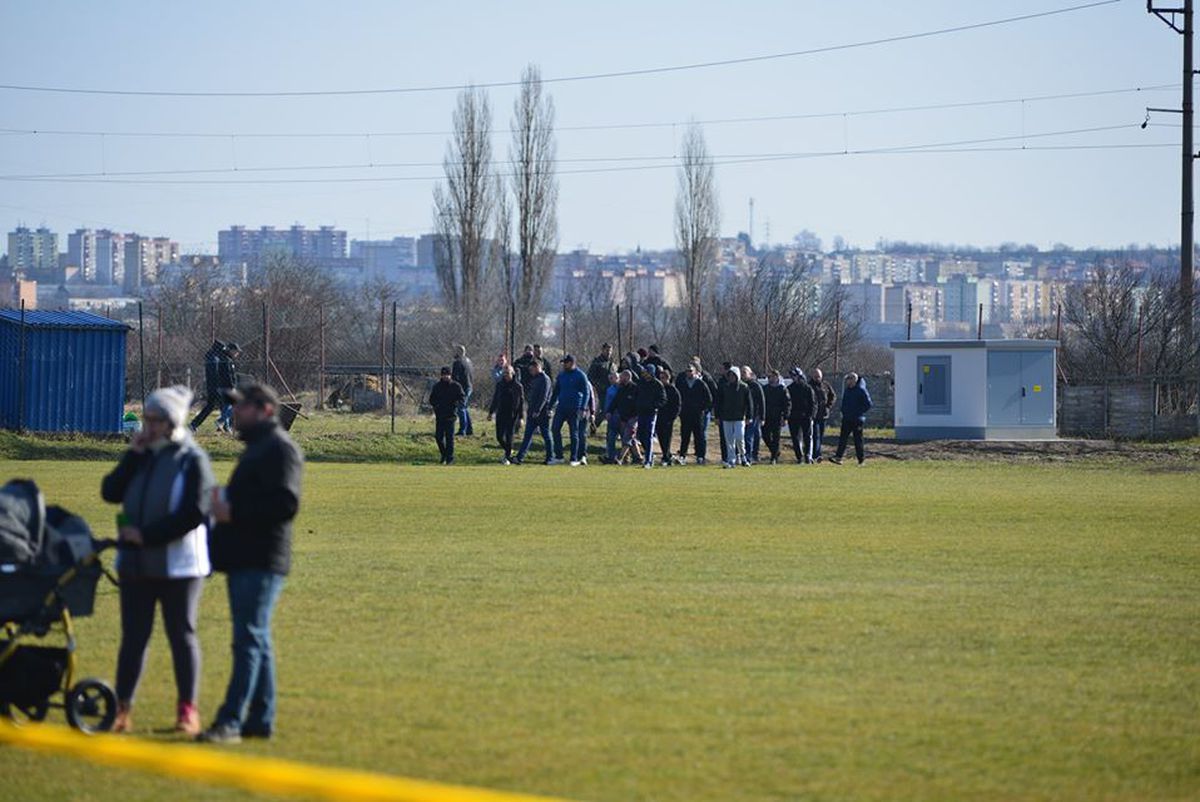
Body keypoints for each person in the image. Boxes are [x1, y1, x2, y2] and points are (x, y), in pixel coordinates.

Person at [101, 386, 215, 736]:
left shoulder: (192, 459)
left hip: (180, 566)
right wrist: (131, 456)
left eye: (154, 420)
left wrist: (147, 536)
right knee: (134, 637)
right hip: (136, 564)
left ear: (171, 423)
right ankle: (121, 709)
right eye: (146, 418)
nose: (146, 425)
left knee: (181, 635)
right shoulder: (141, 454)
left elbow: (195, 512)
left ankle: (187, 712)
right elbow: (110, 492)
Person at [198, 382, 304, 744]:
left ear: (266, 411)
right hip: (244, 555)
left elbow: (286, 504)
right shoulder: (258, 447)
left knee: (248, 640)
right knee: (256, 640)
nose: (236, 413)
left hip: (261, 558)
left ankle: (230, 721)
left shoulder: (279, 448)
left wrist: (233, 510)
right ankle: (260, 719)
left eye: (242, 407)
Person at [551, 354, 592, 466]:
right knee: (555, 429)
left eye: (566, 363)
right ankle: (559, 456)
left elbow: (586, 393)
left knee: (574, 433)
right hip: (561, 407)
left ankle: (574, 458)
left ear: (572, 363)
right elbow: (556, 392)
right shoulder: (561, 375)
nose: (564, 365)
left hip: (575, 408)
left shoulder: (580, 375)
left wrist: (583, 408)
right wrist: (550, 406)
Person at [513, 359, 553, 465]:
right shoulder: (535, 379)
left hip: (542, 413)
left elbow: (544, 397)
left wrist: (538, 410)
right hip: (532, 412)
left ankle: (550, 457)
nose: (531, 372)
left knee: (546, 435)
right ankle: (520, 457)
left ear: (537, 367)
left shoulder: (545, 379)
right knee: (527, 436)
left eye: (532, 369)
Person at [831, 373, 872, 466]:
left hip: (857, 420)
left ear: (854, 380)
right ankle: (838, 457)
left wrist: (859, 412)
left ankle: (861, 460)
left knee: (858, 440)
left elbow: (868, 404)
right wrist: (843, 411)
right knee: (843, 439)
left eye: (849, 379)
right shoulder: (847, 390)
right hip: (847, 418)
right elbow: (844, 403)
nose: (847, 381)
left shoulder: (861, 390)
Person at [487, 365, 524, 464]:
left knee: (509, 436)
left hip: (512, 415)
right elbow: (495, 399)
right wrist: (491, 412)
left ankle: (507, 457)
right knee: (499, 436)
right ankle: (509, 450)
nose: (506, 375)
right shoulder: (500, 385)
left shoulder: (518, 386)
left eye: (508, 373)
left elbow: (521, 403)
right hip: (501, 413)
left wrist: (521, 417)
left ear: (512, 373)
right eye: (504, 373)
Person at [428, 367, 466, 465]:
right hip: (440, 415)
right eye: (443, 375)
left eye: (447, 375)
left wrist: (456, 404)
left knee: (450, 438)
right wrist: (436, 406)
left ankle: (450, 458)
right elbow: (432, 399)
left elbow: (462, 398)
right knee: (438, 437)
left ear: (450, 375)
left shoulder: (456, 386)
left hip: (451, 415)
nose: (445, 376)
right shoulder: (437, 386)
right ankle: (444, 454)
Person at [676, 363, 713, 464]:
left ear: (695, 371)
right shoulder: (682, 383)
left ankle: (700, 456)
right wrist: (680, 411)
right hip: (685, 414)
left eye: (691, 371)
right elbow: (678, 398)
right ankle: (682, 456)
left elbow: (709, 399)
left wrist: (702, 409)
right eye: (687, 371)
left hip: (698, 415)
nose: (689, 373)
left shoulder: (700, 384)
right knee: (685, 436)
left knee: (699, 436)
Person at [190, 340, 227, 432]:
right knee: (224, 405)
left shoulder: (213, 357)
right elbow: (215, 374)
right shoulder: (214, 359)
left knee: (212, 406)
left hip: (212, 386)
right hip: (215, 386)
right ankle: (224, 425)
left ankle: (194, 424)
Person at [634, 364, 667, 468]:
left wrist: (654, 406)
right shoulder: (641, 383)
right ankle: (650, 455)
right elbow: (636, 395)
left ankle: (648, 460)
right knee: (640, 435)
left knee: (649, 435)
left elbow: (663, 399)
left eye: (647, 372)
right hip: (641, 413)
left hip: (651, 413)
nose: (645, 374)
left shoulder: (657, 384)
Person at [718, 366, 750, 468]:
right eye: (730, 375)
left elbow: (749, 403)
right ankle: (731, 460)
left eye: (733, 375)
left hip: (739, 417)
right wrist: (718, 416)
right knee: (729, 440)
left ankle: (743, 456)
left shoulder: (744, 387)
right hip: (726, 417)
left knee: (739, 437)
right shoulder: (724, 387)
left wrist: (749, 416)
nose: (731, 377)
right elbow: (719, 402)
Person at [787, 367, 817, 464]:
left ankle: (808, 455)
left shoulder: (807, 388)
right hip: (793, 417)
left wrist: (811, 415)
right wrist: (787, 415)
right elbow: (787, 403)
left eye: (795, 375)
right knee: (795, 438)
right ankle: (799, 457)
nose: (793, 377)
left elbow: (813, 403)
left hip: (806, 417)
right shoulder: (790, 388)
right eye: (792, 376)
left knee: (807, 437)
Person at [761, 369, 791, 464]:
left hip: (778, 417)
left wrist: (785, 417)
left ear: (777, 377)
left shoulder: (782, 389)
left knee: (776, 438)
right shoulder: (765, 388)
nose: (771, 378)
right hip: (767, 416)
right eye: (770, 377)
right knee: (765, 436)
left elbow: (787, 404)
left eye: (773, 377)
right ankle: (775, 451)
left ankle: (773, 458)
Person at [614, 370, 641, 465]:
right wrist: (609, 411)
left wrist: (634, 415)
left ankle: (620, 458)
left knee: (627, 438)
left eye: (621, 377)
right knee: (631, 439)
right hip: (624, 418)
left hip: (633, 418)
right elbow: (615, 401)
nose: (620, 379)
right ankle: (639, 457)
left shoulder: (635, 389)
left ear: (627, 377)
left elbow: (638, 404)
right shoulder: (621, 389)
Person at [809, 368, 837, 462]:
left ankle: (818, 453)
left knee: (820, 436)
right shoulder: (810, 386)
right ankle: (816, 455)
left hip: (824, 414)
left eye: (819, 376)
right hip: (814, 415)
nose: (817, 378)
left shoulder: (825, 385)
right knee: (815, 435)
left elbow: (832, 396)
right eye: (815, 376)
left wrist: (828, 406)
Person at [656, 368, 681, 466]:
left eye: (663, 378)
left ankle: (666, 457)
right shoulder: (659, 388)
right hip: (659, 417)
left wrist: (672, 417)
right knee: (660, 437)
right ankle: (667, 454)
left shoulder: (673, 390)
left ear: (668, 378)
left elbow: (677, 405)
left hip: (668, 418)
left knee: (667, 437)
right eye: (660, 378)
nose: (661, 380)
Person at [215, 343, 241, 434]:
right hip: (227, 387)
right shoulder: (226, 360)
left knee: (226, 407)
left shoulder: (226, 359)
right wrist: (232, 387)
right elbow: (228, 375)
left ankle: (226, 427)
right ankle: (220, 421)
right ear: (231, 350)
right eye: (236, 351)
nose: (237, 353)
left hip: (224, 386)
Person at [742, 366, 764, 464]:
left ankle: (749, 456)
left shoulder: (756, 385)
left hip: (754, 415)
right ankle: (749, 455)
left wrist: (762, 417)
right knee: (748, 436)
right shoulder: (741, 385)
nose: (742, 375)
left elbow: (762, 402)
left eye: (744, 372)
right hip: (743, 414)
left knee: (749, 436)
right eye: (741, 372)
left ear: (750, 374)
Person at [451, 346, 474, 436]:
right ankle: (469, 429)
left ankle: (462, 430)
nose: (453, 353)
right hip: (469, 386)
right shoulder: (468, 361)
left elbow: (455, 378)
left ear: (459, 352)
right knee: (464, 407)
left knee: (461, 408)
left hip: (462, 388)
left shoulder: (458, 363)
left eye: (455, 351)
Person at [602, 372, 622, 463]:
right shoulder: (609, 389)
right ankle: (611, 456)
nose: (611, 380)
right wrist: (606, 412)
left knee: (625, 438)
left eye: (613, 378)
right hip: (611, 416)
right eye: (610, 378)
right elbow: (607, 402)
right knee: (610, 437)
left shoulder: (621, 388)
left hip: (620, 415)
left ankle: (627, 456)